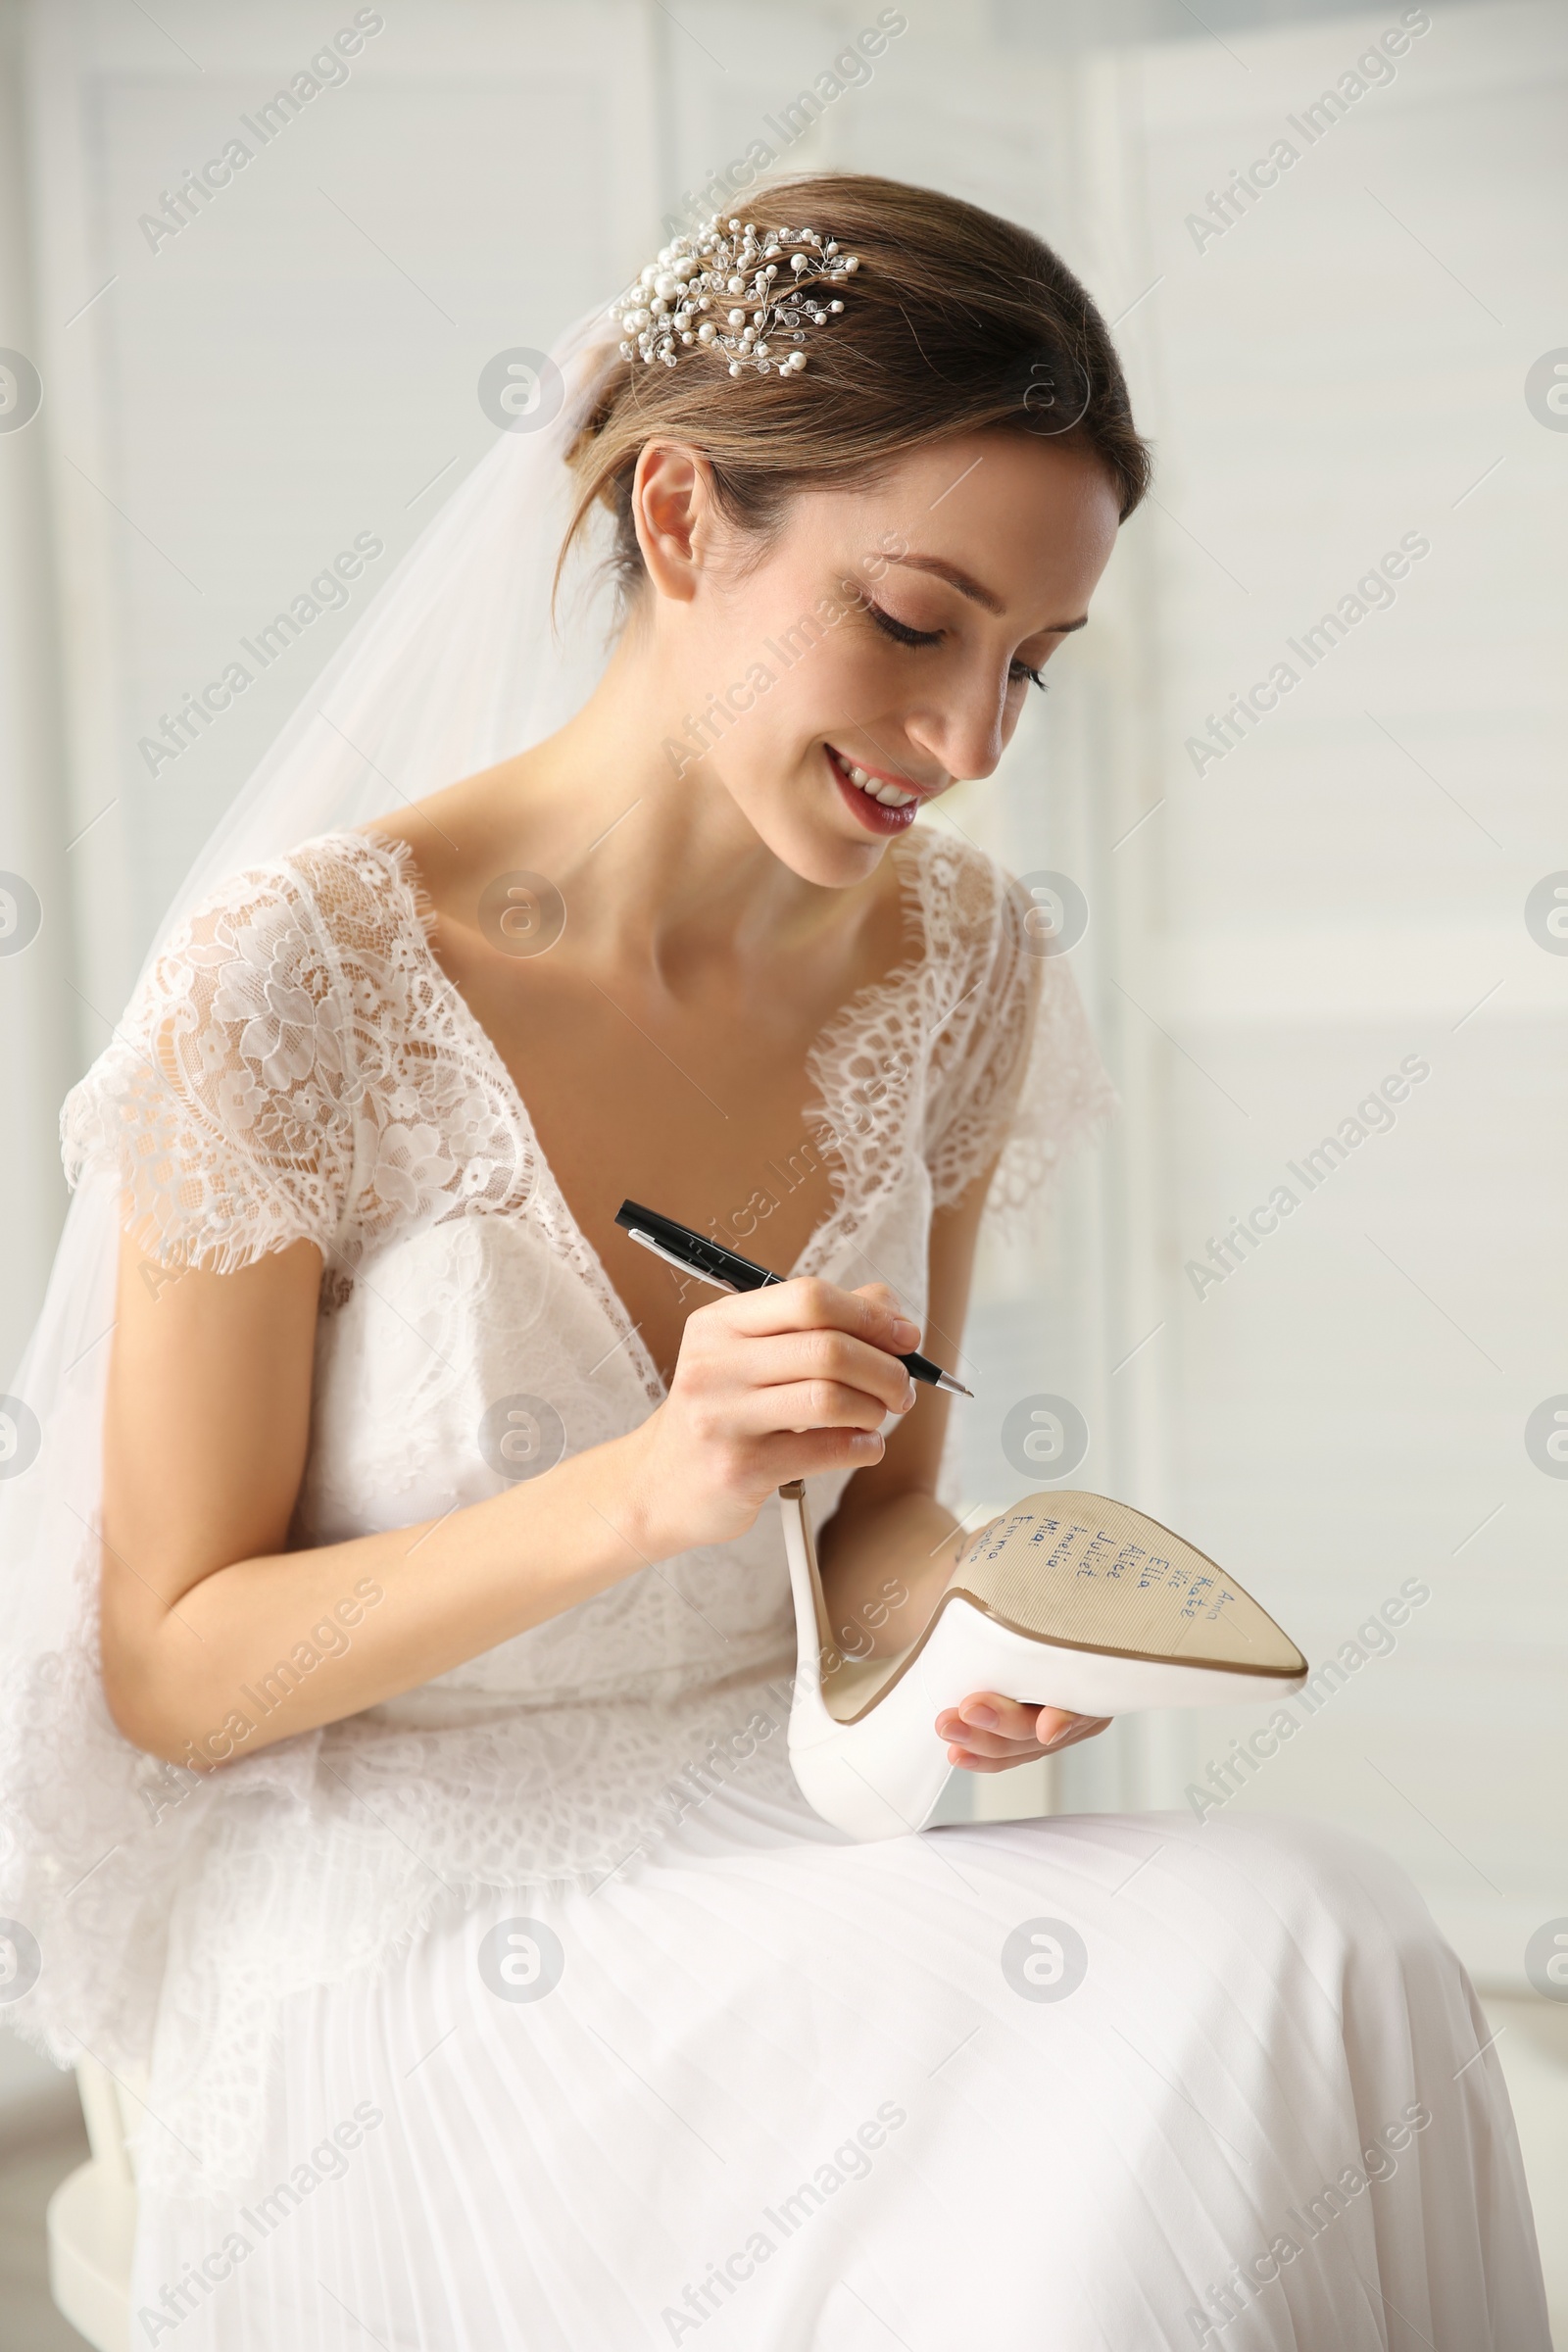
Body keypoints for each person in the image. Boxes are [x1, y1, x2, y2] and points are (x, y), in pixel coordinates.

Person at [1, 173, 1546, 2348]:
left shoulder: (963, 962)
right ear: (676, 521)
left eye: (1030, 661)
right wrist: (645, 1490)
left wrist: (954, 1643)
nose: (973, 741)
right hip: (405, 1915)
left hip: (781, 1829)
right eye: (914, 624)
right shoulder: (300, 979)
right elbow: (169, 1667)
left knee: (1322, 1939)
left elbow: (888, 1520)